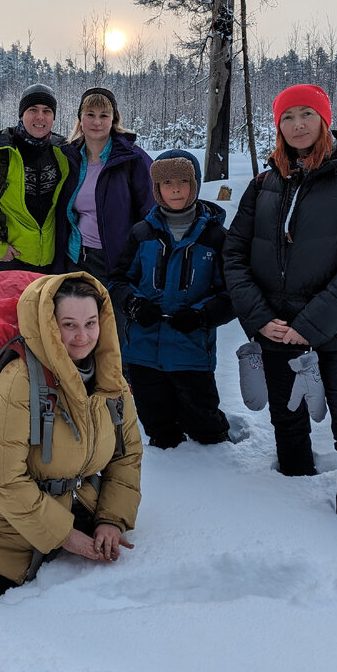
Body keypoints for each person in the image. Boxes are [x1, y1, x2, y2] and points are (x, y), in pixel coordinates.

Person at [222, 84, 337, 535]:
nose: (297, 125)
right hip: (275, 329)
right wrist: (259, 320)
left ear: (324, 120)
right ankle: (291, 512)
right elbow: (234, 255)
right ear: (277, 125)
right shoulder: (261, 185)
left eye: (307, 115)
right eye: (287, 117)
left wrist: (311, 325)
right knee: (288, 421)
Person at [0, 273, 143, 607]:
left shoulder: (110, 380)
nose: (82, 337)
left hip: (78, 505)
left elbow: (126, 455)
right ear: (49, 325)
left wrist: (111, 519)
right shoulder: (18, 383)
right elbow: (4, 480)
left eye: (91, 323)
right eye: (69, 325)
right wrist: (66, 537)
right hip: (0, 524)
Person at [109, 149, 236, 448]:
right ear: (156, 189)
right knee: (158, 426)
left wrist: (202, 316)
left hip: (192, 352)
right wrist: (135, 305)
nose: (175, 189)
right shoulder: (142, 233)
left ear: (195, 184)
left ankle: (219, 477)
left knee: (204, 426)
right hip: (143, 352)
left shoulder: (215, 237)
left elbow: (231, 294)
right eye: (166, 183)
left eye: (183, 181)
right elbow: (118, 281)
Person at [57, 86, 153, 341]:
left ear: (114, 120)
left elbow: (151, 212)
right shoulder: (70, 158)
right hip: (78, 259)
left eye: (104, 115)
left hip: (118, 262)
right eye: (90, 114)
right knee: (80, 333)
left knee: (114, 334)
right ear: (80, 118)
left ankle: (118, 381)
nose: (96, 122)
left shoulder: (132, 159)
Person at [0, 83, 69, 275]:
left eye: (47, 111)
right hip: (5, 264)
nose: (40, 117)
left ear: (53, 116)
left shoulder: (63, 154)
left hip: (50, 266)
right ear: (21, 114)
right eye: (32, 109)